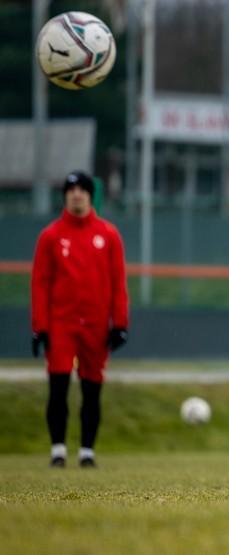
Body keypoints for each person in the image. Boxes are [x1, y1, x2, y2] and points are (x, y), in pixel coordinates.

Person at [30, 171, 129, 468]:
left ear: (90, 196)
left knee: (92, 388)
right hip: (61, 324)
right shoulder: (50, 236)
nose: (77, 195)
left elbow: (118, 282)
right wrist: (40, 327)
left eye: (82, 190)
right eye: (71, 190)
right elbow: (40, 284)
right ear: (65, 196)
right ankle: (58, 450)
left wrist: (120, 324)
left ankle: (87, 452)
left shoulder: (108, 234)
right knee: (58, 386)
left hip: (96, 326)